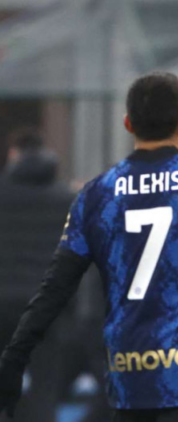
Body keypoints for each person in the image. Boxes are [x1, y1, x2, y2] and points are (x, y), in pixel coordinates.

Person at [0, 72, 178, 422]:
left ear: (129, 124)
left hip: (130, 375)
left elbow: (54, 289)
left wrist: (14, 358)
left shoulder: (97, 194)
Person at [0, 131, 76, 422]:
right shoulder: (66, 198)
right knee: (45, 385)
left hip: (2, 304)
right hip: (45, 307)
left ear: (13, 155)